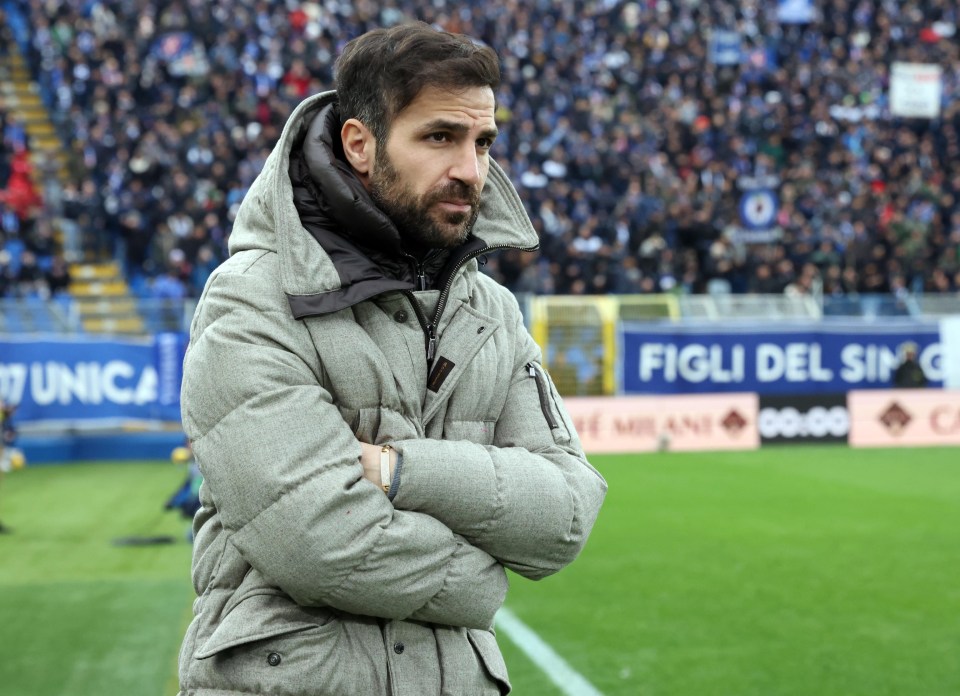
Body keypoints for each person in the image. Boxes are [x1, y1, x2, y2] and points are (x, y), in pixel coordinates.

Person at [176, 23, 607, 696]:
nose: (471, 168)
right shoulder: (253, 298)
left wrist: (400, 471)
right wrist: (480, 582)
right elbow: (317, 543)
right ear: (360, 144)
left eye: (483, 141)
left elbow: (566, 514)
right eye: (440, 137)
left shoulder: (490, 309)